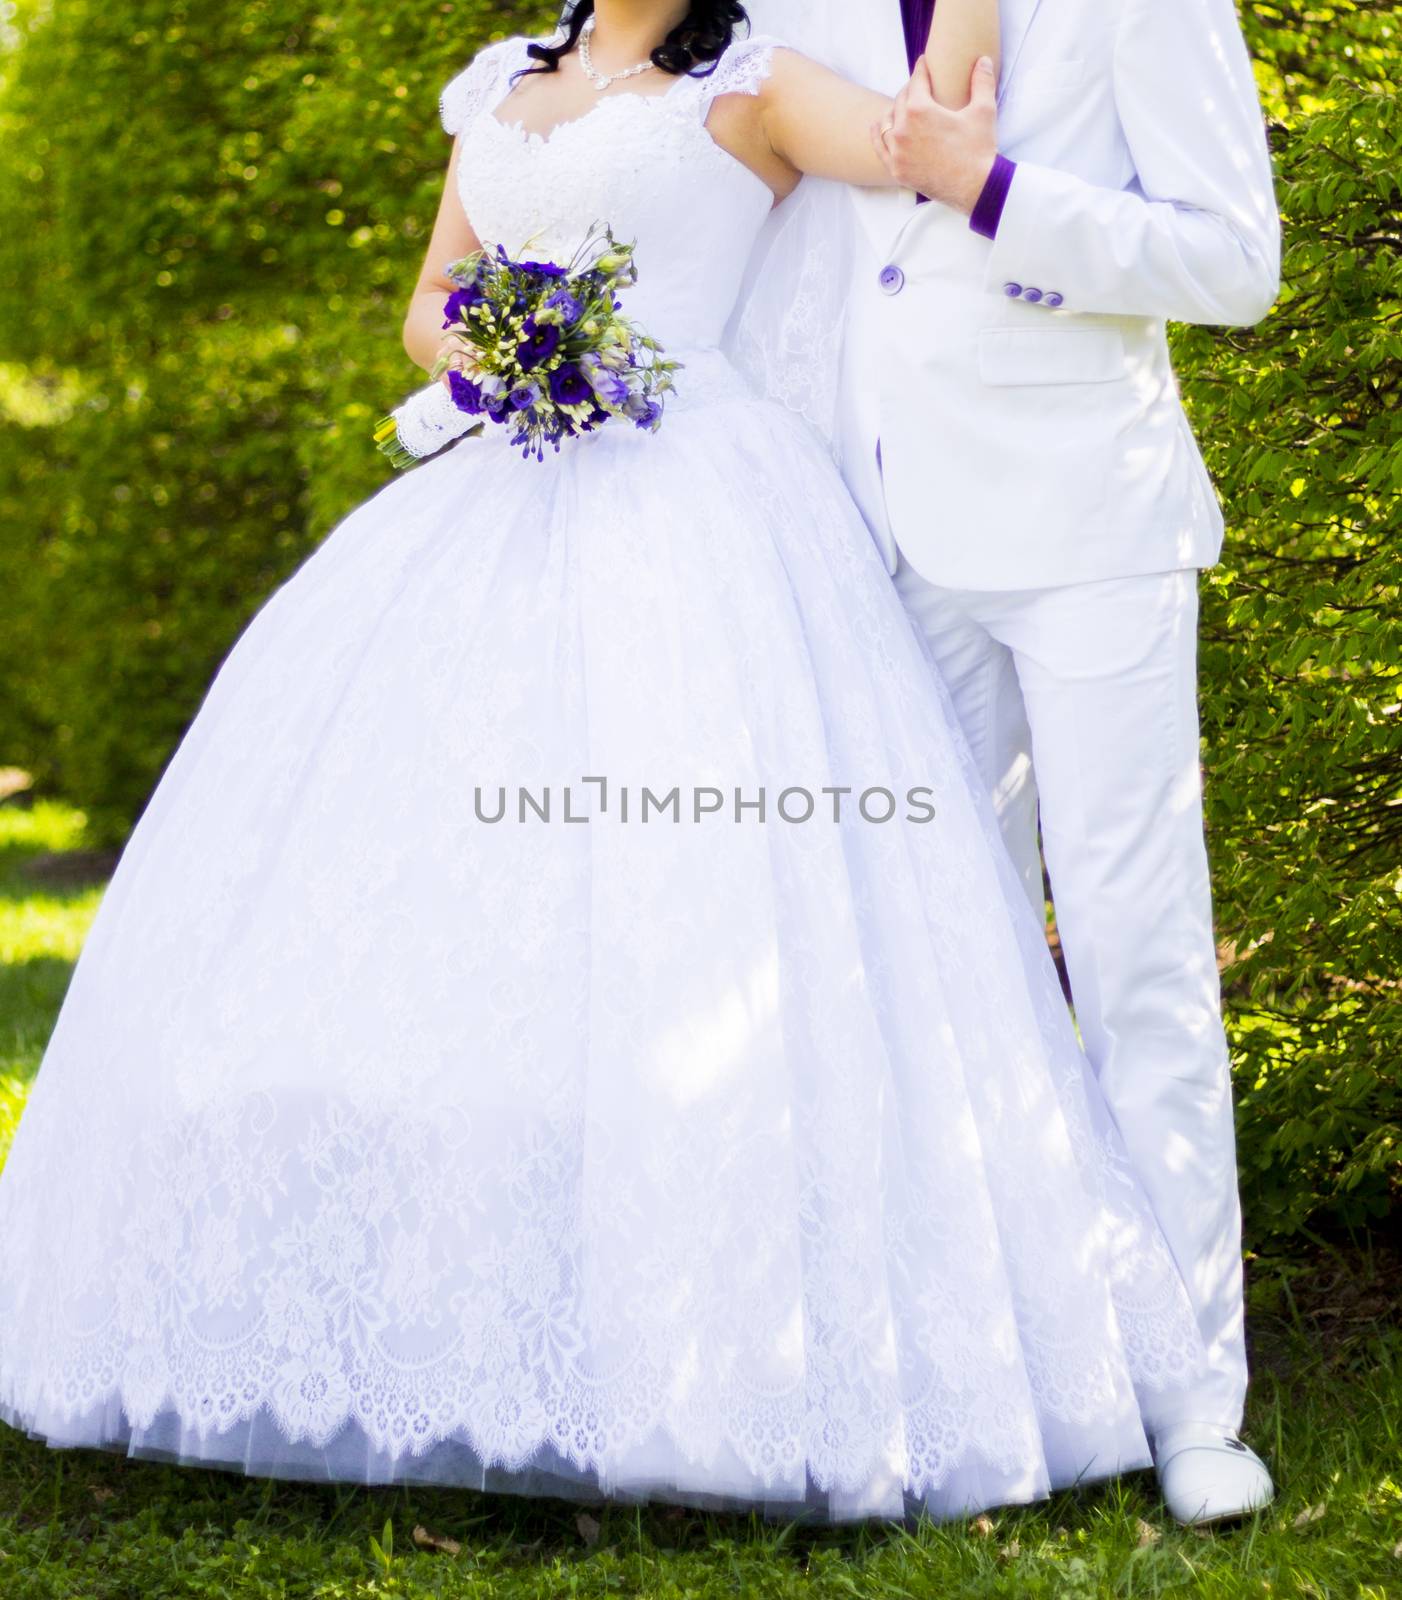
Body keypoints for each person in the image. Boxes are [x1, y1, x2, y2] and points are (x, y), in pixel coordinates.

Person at [0, 0, 1229, 1526]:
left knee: (681, 912)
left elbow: (926, 143)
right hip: (494, 492)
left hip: (694, 511)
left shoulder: (764, 81)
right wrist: (507, 349)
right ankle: (493, 1352)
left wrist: (964, 54)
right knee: (443, 917)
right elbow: (429, 299)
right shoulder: (495, 83)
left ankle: (721, 1360)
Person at [752, 0, 1281, 1525]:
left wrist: (993, 190)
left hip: (1087, 531)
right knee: (930, 980)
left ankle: (1193, 1405)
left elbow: (1231, 259)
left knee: (1135, 965)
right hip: (876, 527)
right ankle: (984, 1380)